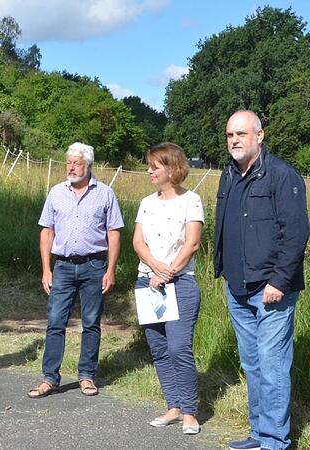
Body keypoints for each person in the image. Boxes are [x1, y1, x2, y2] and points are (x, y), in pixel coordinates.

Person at [214, 111, 309, 450]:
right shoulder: (228, 175)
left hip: (271, 290)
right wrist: (223, 270)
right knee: (252, 364)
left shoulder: (282, 175)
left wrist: (279, 282)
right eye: (229, 135)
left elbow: (296, 234)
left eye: (241, 133)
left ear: (260, 135)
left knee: (271, 366)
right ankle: (259, 433)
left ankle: (274, 441)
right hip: (237, 287)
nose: (234, 140)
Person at [29, 142, 124, 399]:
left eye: (76, 163)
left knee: (91, 323)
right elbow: (46, 231)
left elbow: (114, 233)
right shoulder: (56, 193)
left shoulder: (105, 194)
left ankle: (86, 376)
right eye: (68, 162)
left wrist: (111, 269)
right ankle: (50, 378)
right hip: (62, 266)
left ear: (88, 165)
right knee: (55, 322)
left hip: (94, 265)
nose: (71, 167)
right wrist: (46, 269)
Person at [132, 143, 204, 435]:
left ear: (172, 169)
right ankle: (173, 406)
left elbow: (192, 244)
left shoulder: (192, 200)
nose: (149, 171)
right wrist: (153, 267)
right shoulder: (147, 203)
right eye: (149, 166)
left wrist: (168, 272)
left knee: (178, 347)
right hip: (147, 282)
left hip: (180, 283)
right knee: (159, 348)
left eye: (155, 166)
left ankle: (189, 411)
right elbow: (138, 242)